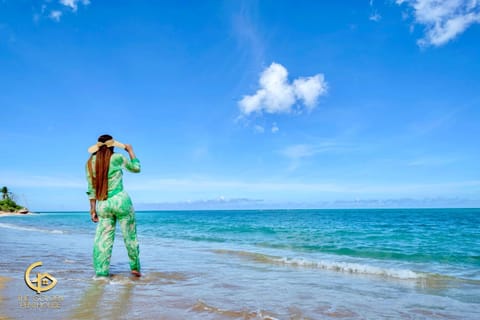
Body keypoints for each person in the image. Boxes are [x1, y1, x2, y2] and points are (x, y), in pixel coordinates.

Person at [86, 134, 141, 277]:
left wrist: (92, 209)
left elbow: (91, 189)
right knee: (130, 236)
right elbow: (136, 168)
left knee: (103, 240)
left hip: (103, 204)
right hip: (121, 201)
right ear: (112, 146)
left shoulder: (90, 163)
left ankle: (101, 273)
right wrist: (130, 151)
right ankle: (135, 268)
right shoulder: (117, 158)